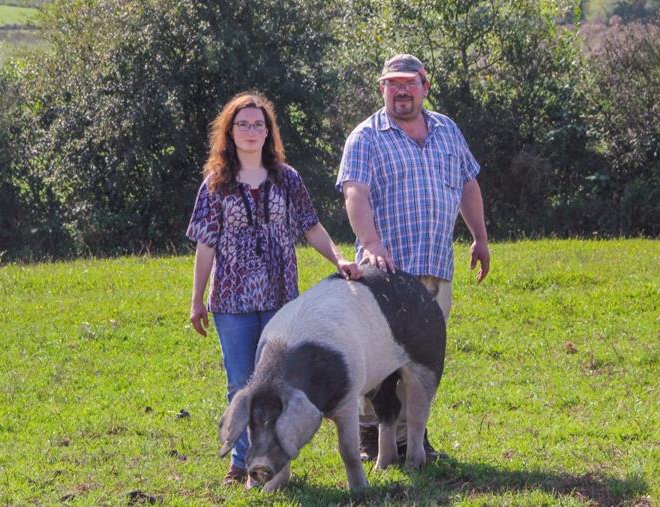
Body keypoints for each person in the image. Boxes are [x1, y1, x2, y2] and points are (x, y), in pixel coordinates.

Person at [187, 91, 361, 486]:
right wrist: (197, 299)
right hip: (232, 301)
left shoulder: (288, 178)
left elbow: (311, 227)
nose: (251, 130)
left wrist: (340, 260)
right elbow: (205, 244)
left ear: (269, 132)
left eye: (259, 124)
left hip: (283, 301)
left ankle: (277, 464)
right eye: (244, 124)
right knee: (241, 384)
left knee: (280, 386)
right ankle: (243, 462)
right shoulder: (215, 183)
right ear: (229, 132)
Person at [336, 54, 491, 461]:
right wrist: (370, 242)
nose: (400, 90)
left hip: (436, 269)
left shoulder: (447, 130)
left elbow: (468, 183)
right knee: (380, 361)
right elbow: (355, 192)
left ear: (425, 85)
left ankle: (411, 438)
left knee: (421, 361)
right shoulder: (366, 136)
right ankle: (374, 436)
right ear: (382, 88)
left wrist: (480, 237)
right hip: (386, 273)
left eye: (408, 82)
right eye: (392, 83)